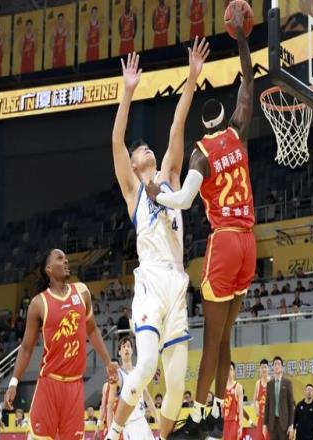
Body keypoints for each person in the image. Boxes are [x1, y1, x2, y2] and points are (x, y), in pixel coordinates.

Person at [147, 5, 255, 438]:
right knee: (227, 334)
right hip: (250, 242)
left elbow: (186, 199)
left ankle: (197, 416)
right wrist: (242, 39)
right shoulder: (238, 132)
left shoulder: (201, 153)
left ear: (202, 124)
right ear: (224, 117)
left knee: (211, 337)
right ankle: (219, 409)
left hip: (225, 241)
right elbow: (248, 83)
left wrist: (157, 194)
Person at [106, 39, 209, 440]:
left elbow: (177, 126)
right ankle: (114, 433)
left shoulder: (170, 176)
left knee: (177, 388)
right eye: (141, 151)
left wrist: (192, 77)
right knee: (146, 365)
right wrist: (127, 91)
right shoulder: (133, 191)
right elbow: (116, 142)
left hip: (177, 282)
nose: (146, 149)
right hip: (150, 281)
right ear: (134, 165)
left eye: (147, 147)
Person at [4, 249, 117, 439]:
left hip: (75, 386)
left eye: (66, 258)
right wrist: (14, 382)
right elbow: (26, 348)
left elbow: (92, 330)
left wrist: (108, 362)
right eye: (60, 258)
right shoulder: (39, 303)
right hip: (49, 383)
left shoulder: (82, 292)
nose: (66, 261)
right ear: (48, 269)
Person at [106, 337, 158, 439]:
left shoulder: (138, 372)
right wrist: (110, 431)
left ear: (132, 350)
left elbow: (147, 397)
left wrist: (156, 416)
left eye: (128, 346)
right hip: (129, 424)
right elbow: (110, 404)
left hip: (143, 421)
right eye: (123, 347)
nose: (126, 348)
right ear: (119, 352)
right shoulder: (117, 375)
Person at [264, 356, 294, 440]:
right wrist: (265, 424)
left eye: (279, 364)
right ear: (273, 367)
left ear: (282, 367)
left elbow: (291, 405)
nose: (277, 366)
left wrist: (291, 425)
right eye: (275, 364)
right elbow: (267, 405)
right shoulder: (269, 384)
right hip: (272, 423)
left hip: (284, 423)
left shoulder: (287, 383)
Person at [224, 362, 244, 440]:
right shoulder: (221, 387)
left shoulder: (238, 387)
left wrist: (241, 426)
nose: (229, 371)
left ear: (234, 372)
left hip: (234, 421)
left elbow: (241, 408)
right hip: (224, 422)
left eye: (231, 369)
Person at [253, 359, 269, 440]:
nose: (264, 369)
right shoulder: (257, 383)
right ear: (260, 369)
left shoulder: (272, 382)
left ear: (268, 368)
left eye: (265, 367)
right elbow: (255, 399)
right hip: (260, 418)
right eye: (262, 367)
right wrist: (256, 406)